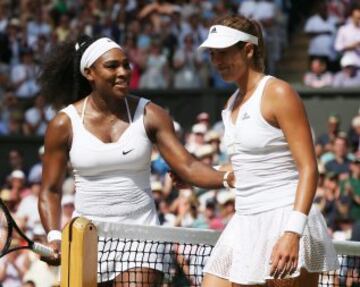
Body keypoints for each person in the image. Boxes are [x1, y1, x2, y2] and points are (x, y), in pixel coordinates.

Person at [37, 35, 235, 286]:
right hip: (86, 238)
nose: (123, 72)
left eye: (126, 65)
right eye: (112, 66)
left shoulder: (151, 114)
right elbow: (50, 190)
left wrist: (229, 177)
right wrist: (54, 236)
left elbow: (188, 166)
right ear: (89, 73)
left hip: (143, 238)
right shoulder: (63, 123)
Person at [196, 15, 339, 287]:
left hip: (286, 218)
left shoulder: (278, 93)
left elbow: (309, 168)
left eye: (224, 53)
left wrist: (292, 232)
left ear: (248, 50)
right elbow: (245, 167)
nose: (217, 62)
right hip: (245, 221)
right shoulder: (230, 103)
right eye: (213, 54)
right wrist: (194, 174)